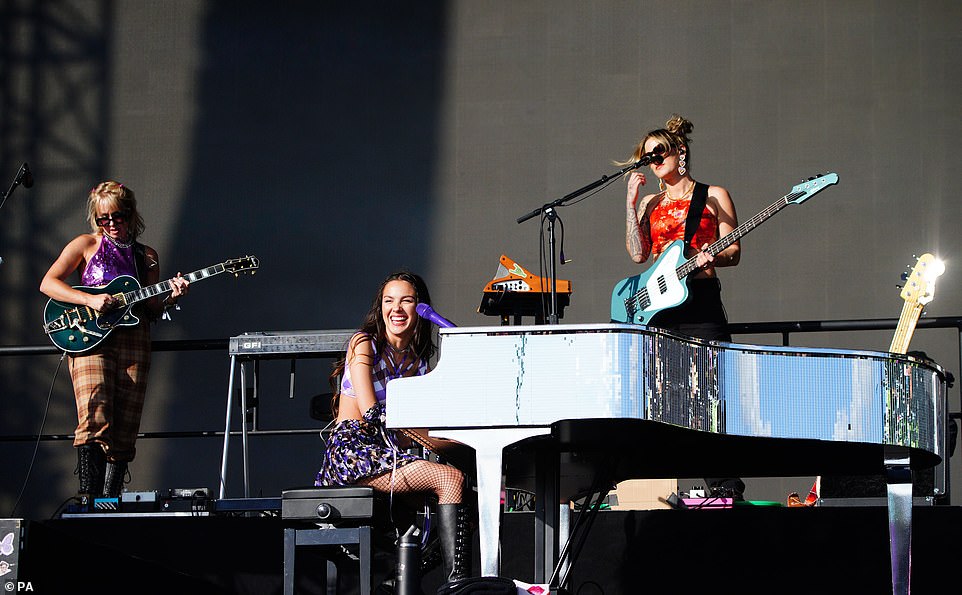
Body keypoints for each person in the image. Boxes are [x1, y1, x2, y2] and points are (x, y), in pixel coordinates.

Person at [315, 270, 471, 585]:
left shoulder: (419, 363)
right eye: (389, 300)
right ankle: (457, 587)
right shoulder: (364, 344)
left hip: (390, 456)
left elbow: (418, 429)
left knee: (468, 495)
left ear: (421, 309)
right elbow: (373, 411)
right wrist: (435, 439)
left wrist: (466, 444)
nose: (396, 309)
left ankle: (402, 579)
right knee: (449, 478)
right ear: (380, 307)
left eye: (406, 301)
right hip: (354, 453)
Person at [40, 181, 189, 503]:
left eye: (117, 217)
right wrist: (88, 300)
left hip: (134, 338)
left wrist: (171, 298)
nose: (110, 224)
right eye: (103, 218)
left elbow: (150, 307)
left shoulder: (146, 256)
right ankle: (87, 497)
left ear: (130, 214)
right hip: (91, 337)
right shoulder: (85, 244)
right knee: (95, 413)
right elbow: (49, 283)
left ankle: (110, 500)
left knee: (127, 421)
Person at [623, 114, 746, 500]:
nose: (653, 159)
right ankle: (669, 481)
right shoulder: (650, 202)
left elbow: (734, 251)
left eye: (658, 152)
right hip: (661, 307)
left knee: (711, 389)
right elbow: (638, 254)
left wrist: (709, 257)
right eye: (647, 156)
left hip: (701, 301)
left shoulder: (713, 195)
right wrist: (631, 205)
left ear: (680, 152)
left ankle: (724, 486)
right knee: (664, 390)